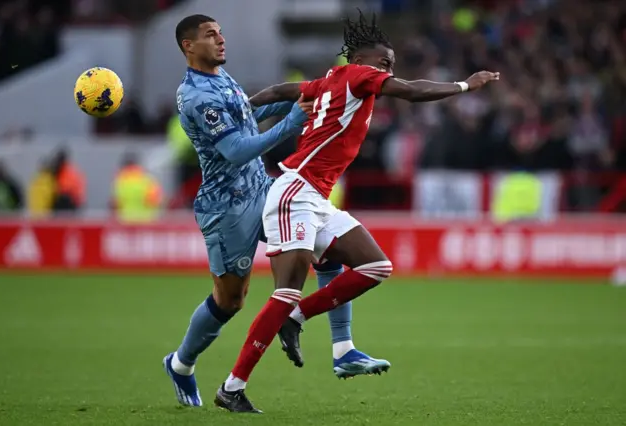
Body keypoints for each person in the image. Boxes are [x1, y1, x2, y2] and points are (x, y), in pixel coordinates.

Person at [215, 10, 499, 412]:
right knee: (285, 290)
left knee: (376, 267)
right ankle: (232, 386)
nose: (390, 71)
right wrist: (465, 85)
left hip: (314, 197)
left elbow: (283, 90)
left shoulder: (330, 81)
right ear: (375, 62)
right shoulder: (361, 75)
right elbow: (413, 91)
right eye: (389, 64)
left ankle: (304, 322)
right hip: (294, 193)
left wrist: (245, 106)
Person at [163, 14, 390, 408]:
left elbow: (245, 127)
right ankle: (181, 363)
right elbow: (234, 151)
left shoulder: (223, 80)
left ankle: (344, 349)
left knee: (326, 249)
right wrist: (292, 122)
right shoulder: (197, 96)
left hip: (263, 189)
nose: (220, 39)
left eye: (221, 31)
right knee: (230, 300)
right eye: (209, 35)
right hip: (227, 206)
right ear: (188, 46)